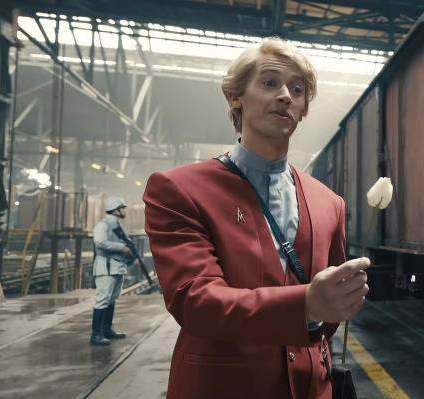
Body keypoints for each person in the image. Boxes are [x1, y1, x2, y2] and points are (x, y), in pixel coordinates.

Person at [143, 38, 370, 398]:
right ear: (235, 96)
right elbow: (195, 300)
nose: (285, 96)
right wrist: (307, 304)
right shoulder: (179, 190)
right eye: (269, 83)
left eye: (297, 90)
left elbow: (329, 313)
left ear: (303, 109)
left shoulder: (329, 203)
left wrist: (341, 298)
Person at [90, 196, 134, 346]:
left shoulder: (117, 225)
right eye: (122, 208)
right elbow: (100, 242)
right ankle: (96, 334)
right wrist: (121, 248)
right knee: (102, 299)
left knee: (111, 299)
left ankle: (106, 330)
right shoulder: (103, 225)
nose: (124, 210)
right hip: (106, 267)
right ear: (115, 209)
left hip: (116, 267)